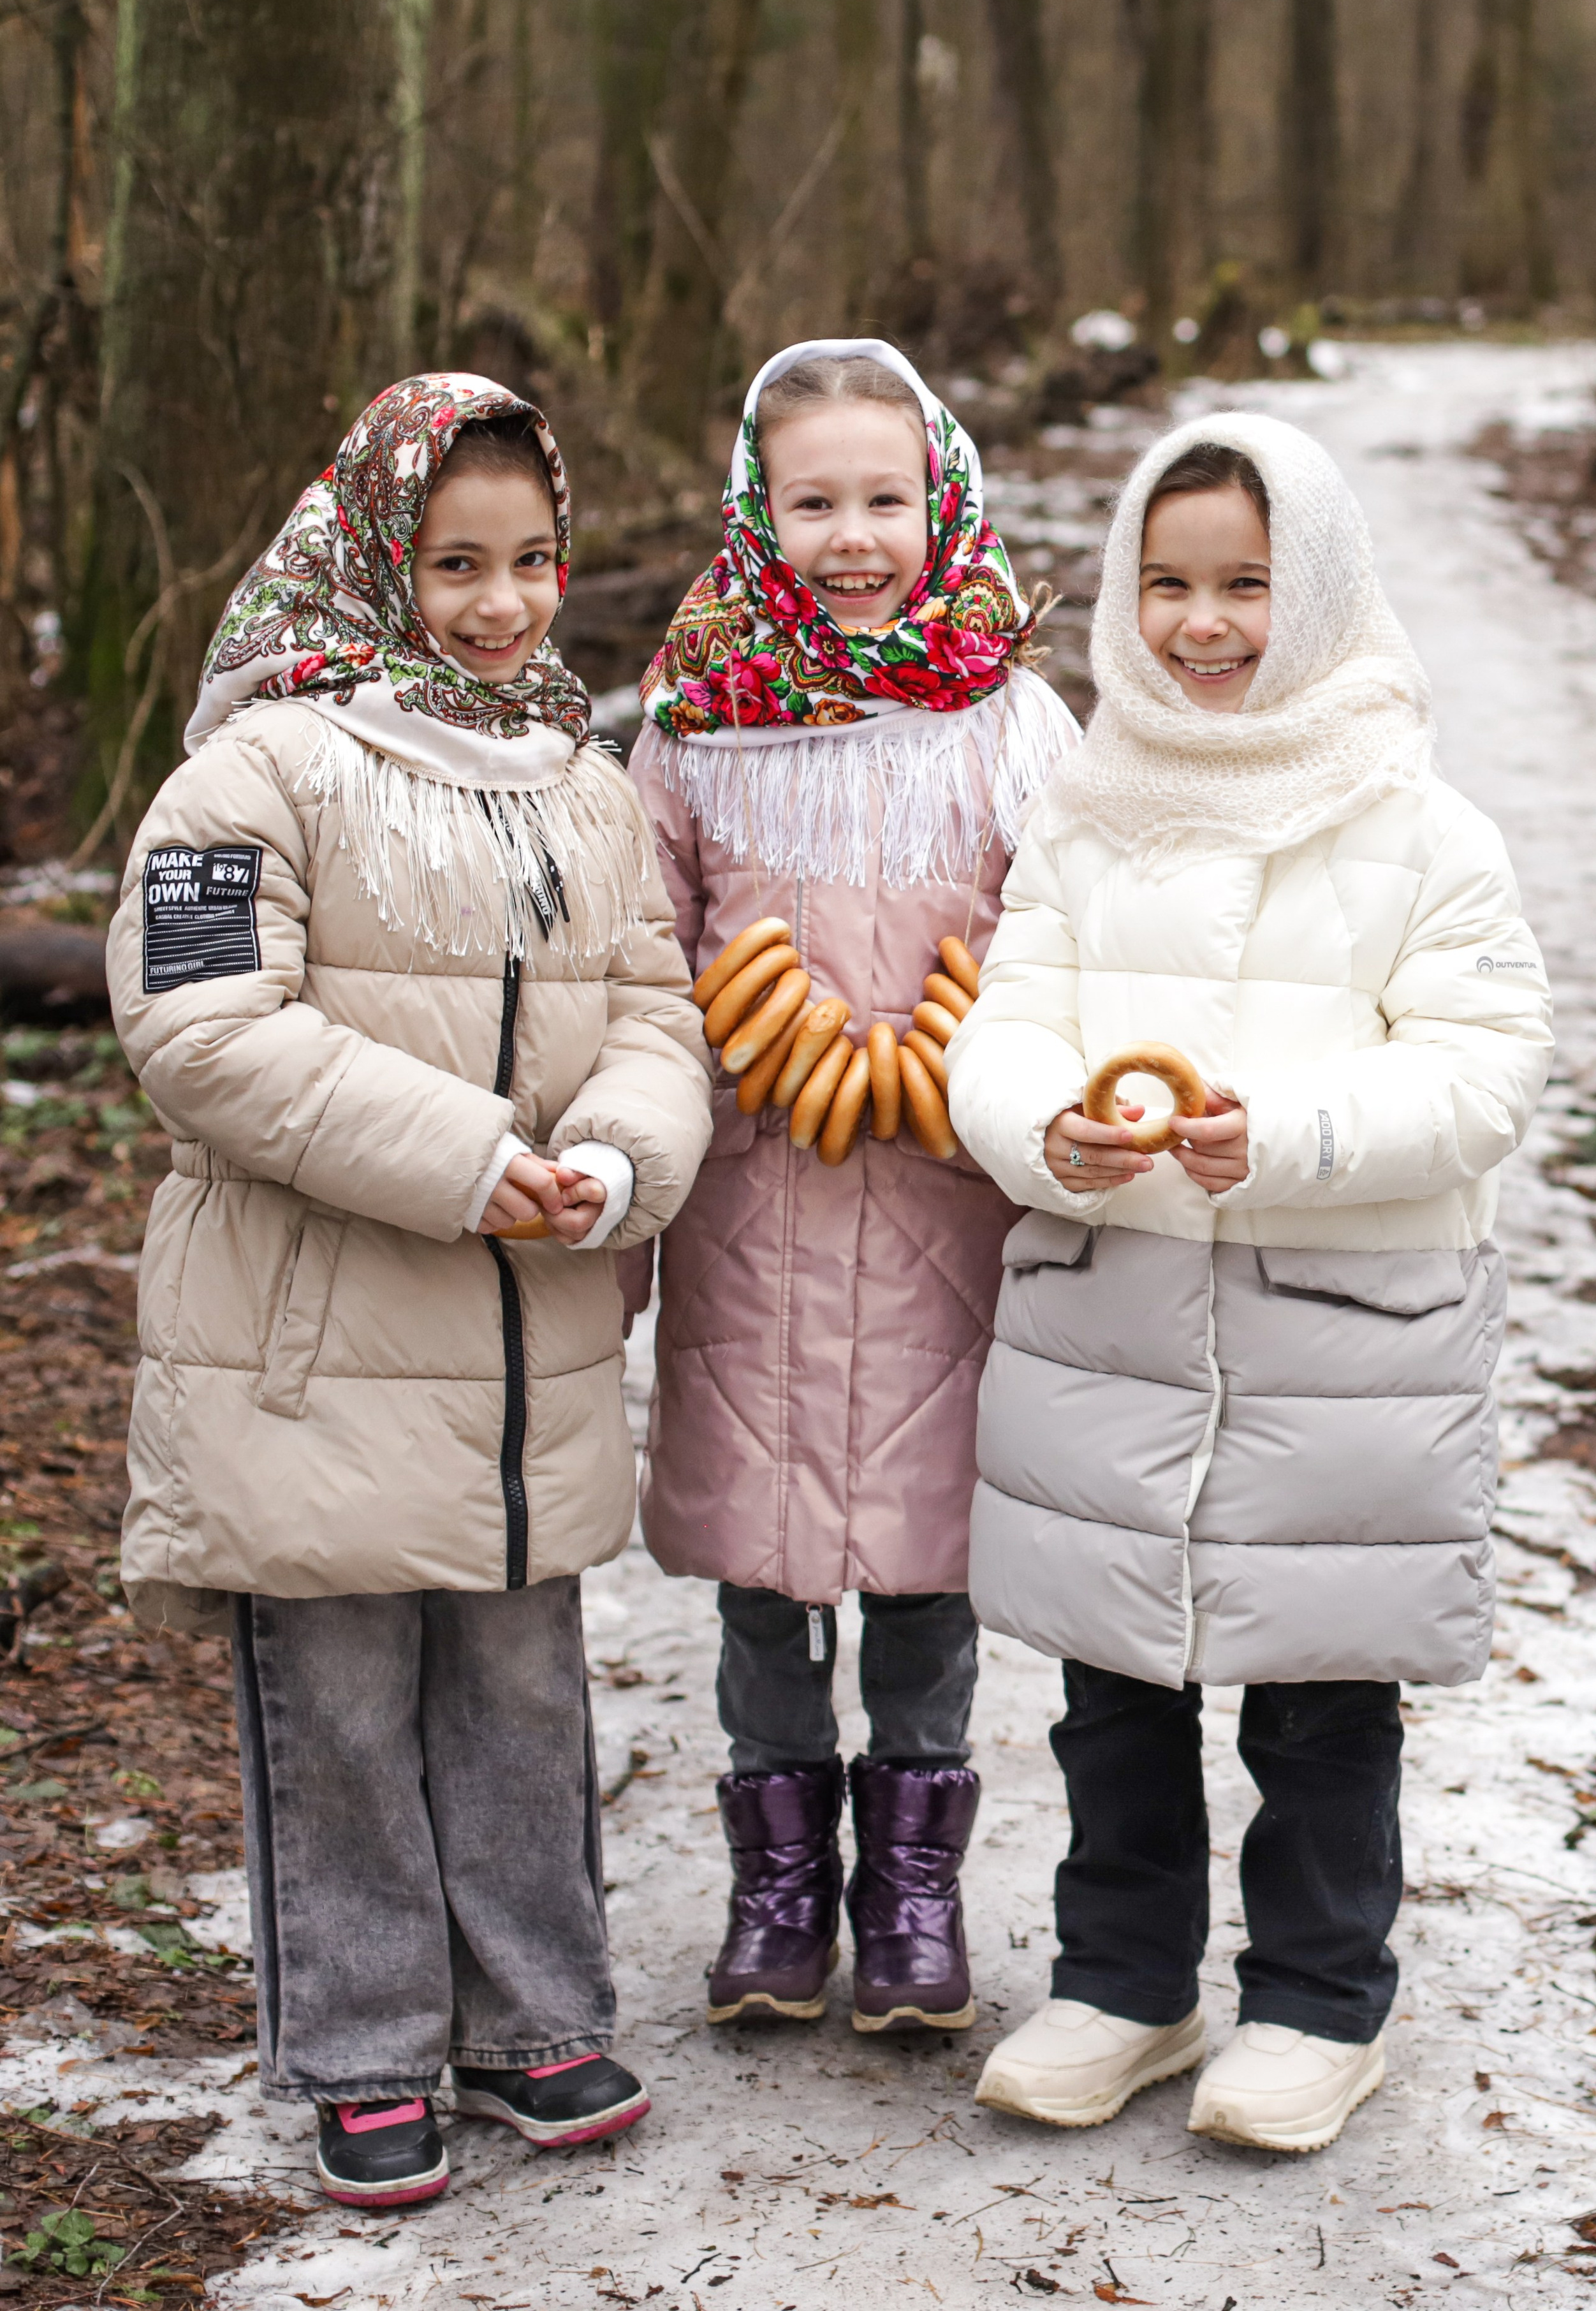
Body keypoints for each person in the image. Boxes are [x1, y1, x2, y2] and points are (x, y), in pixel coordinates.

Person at [106, 375, 712, 2209]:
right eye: (456, 561)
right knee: (344, 1698)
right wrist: (463, 1157)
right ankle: (367, 2037)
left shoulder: (582, 788)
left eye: (533, 560)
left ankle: (536, 2007)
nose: (501, 601)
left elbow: (659, 1016)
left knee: (523, 1684)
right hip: (316, 1344)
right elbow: (201, 1028)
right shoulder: (258, 766)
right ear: (376, 553)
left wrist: (614, 1157)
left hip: (525, 1342)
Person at [946, 413, 1551, 2153]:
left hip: (1337, 1344)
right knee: (1111, 1689)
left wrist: (1276, 1132)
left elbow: (1484, 1070)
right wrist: (1043, 1131)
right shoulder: (1087, 808)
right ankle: (1125, 1977)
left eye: (1246, 586)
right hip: (1117, 1321)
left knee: (1322, 1692)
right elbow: (1007, 1029)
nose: (1203, 623)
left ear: (1323, 596)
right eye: (1169, 585)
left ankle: (1315, 1995)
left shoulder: (1418, 825)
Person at [624, 337, 1080, 2035]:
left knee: (926, 1576)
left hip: (955, 1214)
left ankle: (909, 1892)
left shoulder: (1015, 725)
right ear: (758, 513)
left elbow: (1067, 948)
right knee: (764, 1578)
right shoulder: (690, 730)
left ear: (943, 500)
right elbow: (641, 963)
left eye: (884, 497)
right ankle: (775, 1885)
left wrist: (999, 1077)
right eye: (812, 500)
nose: (853, 534)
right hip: (756, 1211)